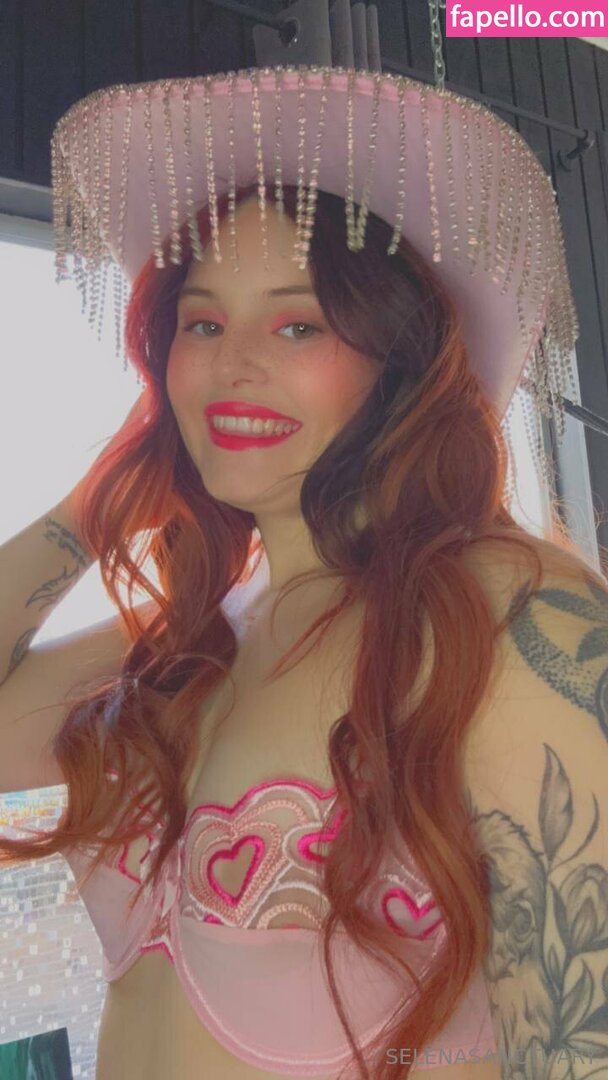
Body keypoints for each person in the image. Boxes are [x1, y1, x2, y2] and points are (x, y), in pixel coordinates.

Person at [1, 65, 608, 1080]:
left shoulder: (506, 618)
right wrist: (97, 501)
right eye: (202, 324)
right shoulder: (184, 644)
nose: (231, 364)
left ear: (398, 365)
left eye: (298, 325)